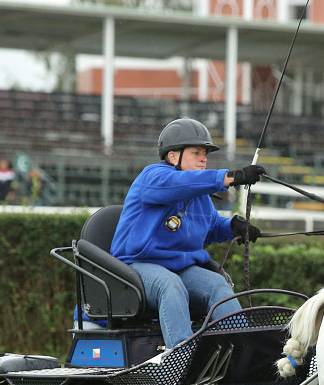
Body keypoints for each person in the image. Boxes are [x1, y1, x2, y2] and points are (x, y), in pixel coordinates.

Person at [110, 117, 265, 353]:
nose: (204, 158)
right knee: (169, 284)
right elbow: (181, 183)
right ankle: (182, 359)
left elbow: (211, 226)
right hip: (136, 268)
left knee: (217, 284)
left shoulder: (200, 195)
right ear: (173, 156)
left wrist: (233, 227)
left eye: (205, 153)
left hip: (178, 268)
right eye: (196, 152)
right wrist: (232, 177)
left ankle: (242, 354)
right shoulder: (152, 177)